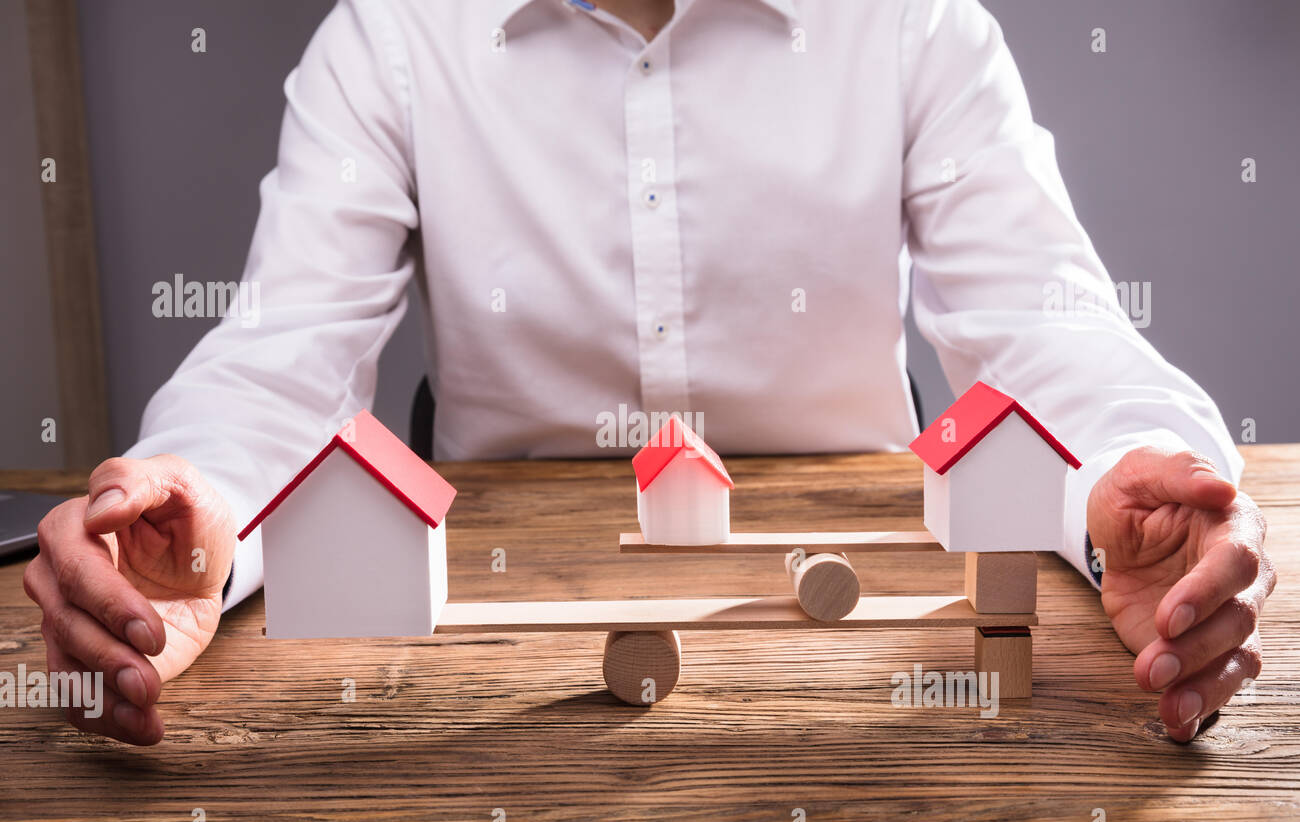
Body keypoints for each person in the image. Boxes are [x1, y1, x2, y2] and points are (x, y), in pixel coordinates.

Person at [23, 0, 1274, 745]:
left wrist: (1138, 486)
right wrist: (197, 509)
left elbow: (1050, 324)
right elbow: (277, 358)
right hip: (491, 669)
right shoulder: (395, 32)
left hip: (854, 655)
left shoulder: (909, 21)